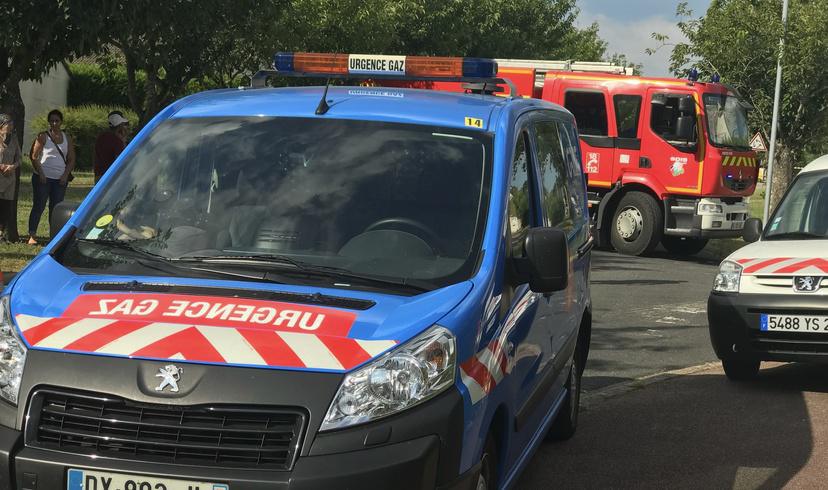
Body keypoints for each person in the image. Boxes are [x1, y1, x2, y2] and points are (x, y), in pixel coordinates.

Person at [28, 109, 75, 245]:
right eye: (52, 121)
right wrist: (41, 174)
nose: (54, 123)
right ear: (49, 122)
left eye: (57, 121)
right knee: (39, 206)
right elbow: (34, 156)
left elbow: (71, 159)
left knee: (56, 209)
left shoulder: (67, 138)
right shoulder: (43, 136)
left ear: (61, 122)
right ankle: (32, 234)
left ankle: (54, 237)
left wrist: (65, 175)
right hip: (43, 178)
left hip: (60, 180)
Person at [0, 114, 21, 242]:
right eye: (9, 123)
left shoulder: (14, 139)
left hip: (9, 179)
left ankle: (1, 234)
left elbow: (19, 158)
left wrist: (13, 166)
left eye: (12, 123)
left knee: (6, 208)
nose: (11, 126)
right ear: (1, 125)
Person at [94, 111, 129, 183]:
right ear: (120, 125)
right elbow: (121, 159)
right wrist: (123, 141)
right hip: (112, 177)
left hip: (99, 175)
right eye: (124, 124)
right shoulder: (117, 140)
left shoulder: (101, 137)